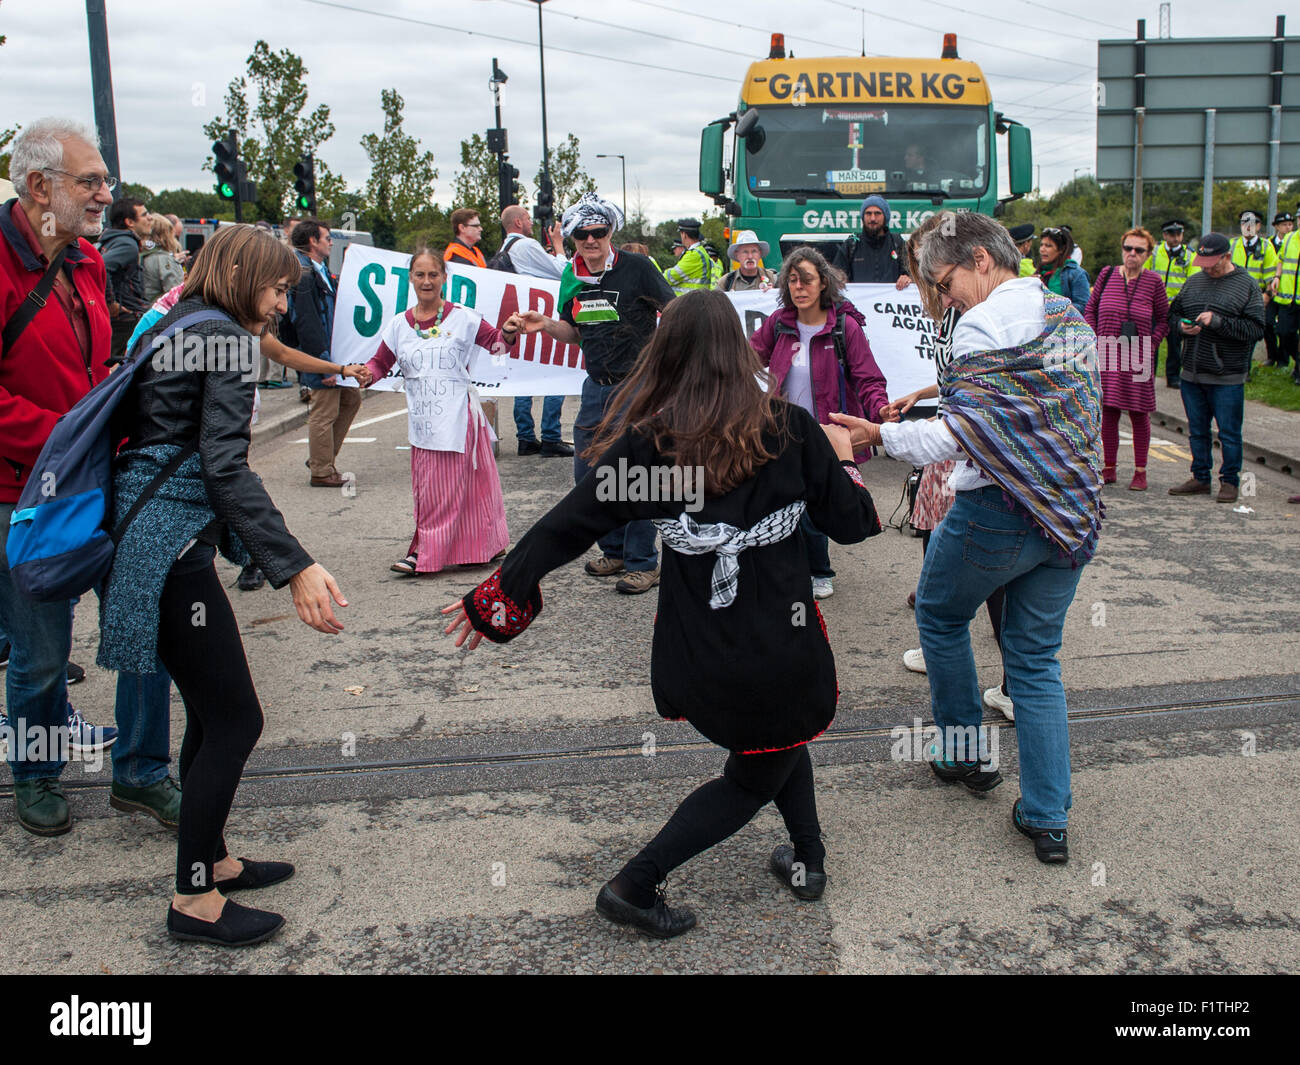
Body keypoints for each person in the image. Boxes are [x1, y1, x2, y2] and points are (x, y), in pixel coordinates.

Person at [443, 290, 882, 936]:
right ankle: (636, 882)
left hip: (699, 648)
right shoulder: (790, 431)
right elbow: (854, 524)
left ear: (667, 354)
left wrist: (502, 593)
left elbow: (570, 522)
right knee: (754, 771)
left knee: (778, 739)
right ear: (738, 350)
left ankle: (809, 859)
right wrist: (846, 459)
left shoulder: (654, 449)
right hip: (779, 646)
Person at [99, 223, 348, 946]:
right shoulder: (229, 339)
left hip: (149, 534)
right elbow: (224, 466)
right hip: (172, 545)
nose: (277, 306)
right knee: (237, 720)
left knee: (210, 714)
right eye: (275, 289)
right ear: (245, 277)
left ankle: (211, 858)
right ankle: (195, 900)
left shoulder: (179, 318)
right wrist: (293, 562)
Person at [831, 211, 1104, 864]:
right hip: (1068, 509)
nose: (945, 297)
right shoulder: (1064, 313)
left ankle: (963, 755)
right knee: (1035, 663)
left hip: (998, 508)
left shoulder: (982, 324)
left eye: (947, 280)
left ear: (982, 259)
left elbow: (964, 434)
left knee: (940, 614)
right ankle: (1047, 817)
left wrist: (877, 436)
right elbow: (1030, 405)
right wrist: (936, 392)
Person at [1, 117, 127, 836]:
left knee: (92, 624)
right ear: (40, 186)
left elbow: (93, 366)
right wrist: (60, 435)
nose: (106, 194)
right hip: (16, 491)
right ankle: (36, 774)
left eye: (104, 180)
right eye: (92, 181)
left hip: (79, 477)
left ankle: (135, 769)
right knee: (41, 648)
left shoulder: (87, 261)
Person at [515, 191, 675, 595]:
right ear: (573, 238)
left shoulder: (637, 267)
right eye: (582, 234)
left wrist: (667, 362)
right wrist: (546, 325)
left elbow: (671, 310)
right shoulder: (574, 276)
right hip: (595, 387)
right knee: (590, 474)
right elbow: (574, 332)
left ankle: (643, 563)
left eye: (599, 232)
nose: (591, 240)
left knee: (635, 475)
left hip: (637, 387)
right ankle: (615, 550)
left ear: (610, 232)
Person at [887, 214, 1011, 719]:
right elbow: (960, 378)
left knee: (985, 576)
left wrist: (879, 436)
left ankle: (995, 694)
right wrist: (923, 391)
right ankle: (951, 649)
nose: (926, 277)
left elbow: (980, 393)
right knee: (932, 544)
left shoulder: (971, 312)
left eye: (935, 272)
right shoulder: (948, 310)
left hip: (967, 453)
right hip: (953, 442)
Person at [354, 248, 513, 575]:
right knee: (433, 490)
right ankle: (465, 546)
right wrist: (366, 374)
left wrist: (510, 331)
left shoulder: (465, 318)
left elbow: (498, 344)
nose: (427, 281)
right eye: (420, 275)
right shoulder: (400, 325)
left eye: (433, 275)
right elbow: (380, 363)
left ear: (444, 278)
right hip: (425, 423)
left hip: (458, 419)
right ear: (410, 278)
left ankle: (428, 552)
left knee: (465, 489)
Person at [748, 246, 891, 600]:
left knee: (813, 503)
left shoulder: (846, 327)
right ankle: (793, 567)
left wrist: (881, 413)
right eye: (792, 280)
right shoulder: (778, 324)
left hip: (825, 433)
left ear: (823, 282)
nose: (798, 287)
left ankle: (819, 571)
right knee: (784, 501)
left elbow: (868, 379)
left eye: (806, 279)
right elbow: (747, 358)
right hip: (783, 431)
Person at [1168, 233, 1266, 504]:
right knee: (1197, 430)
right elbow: (1172, 314)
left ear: (1227, 257)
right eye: (1203, 261)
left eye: (1212, 262)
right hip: (1192, 371)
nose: (1207, 267)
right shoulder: (1194, 281)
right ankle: (1200, 476)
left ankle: (1230, 481)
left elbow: (1256, 329)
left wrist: (1219, 322)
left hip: (1227, 375)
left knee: (1229, 433)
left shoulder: (1246, 285)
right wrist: (1181, 327)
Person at [1083, 227, 1169, 492]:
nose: (1132, 254)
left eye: (1139, 250)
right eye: (1128, 248)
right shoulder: (1107, 275)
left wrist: (1151, 344)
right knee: (1108, 411)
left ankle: (1140, 471)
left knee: (1138, 412)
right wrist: (1094, 340)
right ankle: (1109, 467)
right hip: (1107, 349)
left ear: (1148, 254)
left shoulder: (1154, 282)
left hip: (1138, 351)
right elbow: (1090, 310)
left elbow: (1164, 320)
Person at [493, 204, 572, 458]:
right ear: (518, 223)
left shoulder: (505, 248)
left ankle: (526, 437)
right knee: (555, 372)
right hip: (539, 316)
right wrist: (558, 245)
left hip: (518, 318)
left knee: (524, 377)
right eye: (527, 218)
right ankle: (551, 437)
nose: (530, 222)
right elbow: (564, 273)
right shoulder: (526, 245)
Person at [289, 219, 361, 488]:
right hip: (320, 355)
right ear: (312, 241)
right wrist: (323, 363)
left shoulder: (316, 269)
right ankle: (321, 470)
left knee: (350, 399)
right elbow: (308, 321)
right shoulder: (304, 273)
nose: (330, 241)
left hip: (330, 354)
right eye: (326, 238)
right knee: (325, 410)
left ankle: (323, 456)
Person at [98, 194, 152, 363]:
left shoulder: (113, 240)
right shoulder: (127, 244)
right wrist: (110, 302)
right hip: (125, 320)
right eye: (144, 215)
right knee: (121, 368)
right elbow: (103, 266)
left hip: (120, 318)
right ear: (129, 222)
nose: (150, 218)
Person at [1145, 220, 1198, 387]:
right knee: (1151, 343)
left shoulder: (1190, 255)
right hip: (1154, 306)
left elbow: (1193, 281)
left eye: (1179, 234)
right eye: (1172, 235)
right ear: (1165, 235)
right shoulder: (1153, 252)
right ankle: (1149, 377)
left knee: (1175, 344)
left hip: (1176, 308)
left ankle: (1173, 377)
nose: (1176, 238)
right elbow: (1144, 274)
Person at [1230, 211, 1277, 377]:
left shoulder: (1266, 247)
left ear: (1258, 226)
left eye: (1252, 224)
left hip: (1255, 298)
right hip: (1233, 296)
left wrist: (1267, 295)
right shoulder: (1232, 245)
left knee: (1249, 333)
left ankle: (1245, 370)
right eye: (1244, 223)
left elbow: (1272, 276)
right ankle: (1234, 367)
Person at [848, 195, 912, 290]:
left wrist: (907, 278)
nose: (873, 218)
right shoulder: (851, 244)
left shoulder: (898, 243)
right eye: (868, 213)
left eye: (877, 213)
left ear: (885, 217)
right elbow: (836, 276)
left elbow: (912, 272)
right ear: (862, 217)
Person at [1036, 226, 1089, 316]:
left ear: (1061, 249)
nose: (1042, 249)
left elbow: (1084, 306)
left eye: (1048, 246)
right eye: (1041, 245)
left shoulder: (1076, 274)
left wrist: (1055, 309)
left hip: (1066, 328)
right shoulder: (1039, 272)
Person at [1265, 212, 1294, 367]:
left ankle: (1283, 360)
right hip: (1271, 291)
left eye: (1290, 224)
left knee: (1284, 328)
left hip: (1286, 292)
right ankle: (1272, 355)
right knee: (1267, 323)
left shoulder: (1294, 242)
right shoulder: (1268, 244)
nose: (1287, 227)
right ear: (1276, 226)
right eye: (1284, 224)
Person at [1273, 214, 1300, 380]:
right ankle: (1296, 359)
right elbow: (1281, 260)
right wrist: (1277, 276)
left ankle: (1299, 371)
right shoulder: (1289, 238)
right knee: (1283, 333)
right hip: (1287, 298)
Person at [662, 218, 719, 294]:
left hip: (690, 302)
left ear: (684, 235)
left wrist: (665, 272)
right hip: (696, 300)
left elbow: (669, 278)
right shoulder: (700, 251)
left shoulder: (694, 255)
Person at [139, 213, 185, 305]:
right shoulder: (164, 259)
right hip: (159, 311)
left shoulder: (140, 254)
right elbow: (175, 293)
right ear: (166, 234)